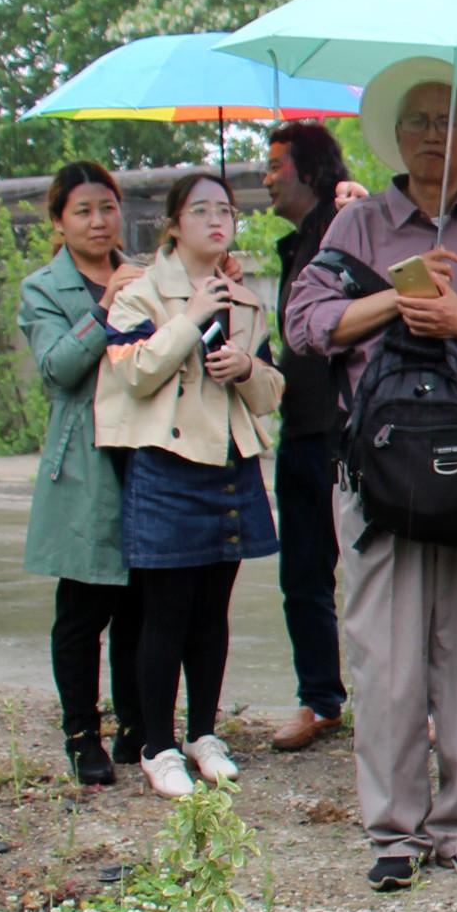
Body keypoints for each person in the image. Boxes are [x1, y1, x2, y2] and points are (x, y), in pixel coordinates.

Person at [283, 62, 457, 890]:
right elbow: (305, 325)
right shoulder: (359, 225)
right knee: (387, 658)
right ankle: (394, 833)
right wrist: (400, 302)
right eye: (422, 122)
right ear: (396, 137)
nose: (438, 136)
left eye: (455, 123)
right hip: (378, 475)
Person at [93, 171, 284, 799]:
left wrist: (247, 366)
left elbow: (273, 394)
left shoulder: (248, 298)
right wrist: (192, 316)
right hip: (167, 464)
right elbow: (138, 373)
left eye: (224, 210)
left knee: (212, 611)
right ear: (173, 224)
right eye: (200, 210)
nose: (215, 220)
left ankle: (203, 732)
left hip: (229, 462)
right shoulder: (138, 293)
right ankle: (156, 744)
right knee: (165, 613)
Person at [16, 161, 145, 785]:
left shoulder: (147, 275)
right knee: (85, 604)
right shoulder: (44, 287)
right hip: (86, 455)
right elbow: (58, 370)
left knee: (141, 603)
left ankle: (136, 726)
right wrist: (110, 306)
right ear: (59, 221)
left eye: (107, 207)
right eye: (83, 211)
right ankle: (79, 732)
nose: (98, 221)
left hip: (147, 446)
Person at [264, 121, 353, 753]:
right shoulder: (291, 245)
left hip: (351, 429)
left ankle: (411, 705)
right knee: (303, 574)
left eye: (275, 165)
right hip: (298, 429)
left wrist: (355, 202)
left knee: (381, 572)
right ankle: (320, 699)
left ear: (312, 171)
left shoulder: (349, 220)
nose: (266, 178)